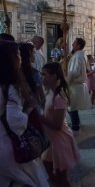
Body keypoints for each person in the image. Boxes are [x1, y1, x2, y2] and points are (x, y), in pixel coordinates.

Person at [0, 41, 49, 187]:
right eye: (18, 54)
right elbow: (15, 123)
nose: (20, 57)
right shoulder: (9, 89)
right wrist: (28, 109)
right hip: (8, 146)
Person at [40, 62, 80, 186]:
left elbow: (57, 125)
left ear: (53, 76)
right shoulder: (49, 92)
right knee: (49, 169)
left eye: (44, 74)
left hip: (60, 140)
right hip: (52, 140)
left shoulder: (59, 97)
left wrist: (39, 117)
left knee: (61, 178)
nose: (42, 77)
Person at [67, 38, 90, 135]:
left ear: (78, 46)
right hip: (76, 84)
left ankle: (75, 126)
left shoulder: (78, 56)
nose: (72, 44)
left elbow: (75, 71)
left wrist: (67, 79)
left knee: (72, 106)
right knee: (73, 106)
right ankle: (77, 122)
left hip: (75, 84)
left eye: (74, 43)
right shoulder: (79, 55)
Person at [19, 42, 46, 110]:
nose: (35, 56)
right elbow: (41, 95)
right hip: (33, 109)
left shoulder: (15, 72)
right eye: (34, 53)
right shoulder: (34, 73)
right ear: (28, 55)